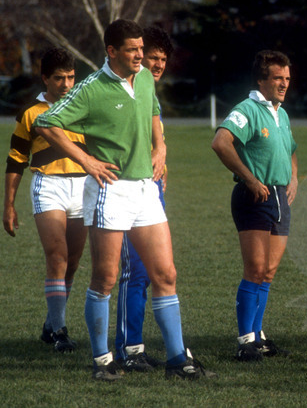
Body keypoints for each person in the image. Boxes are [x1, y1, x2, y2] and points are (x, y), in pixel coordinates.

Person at [34, 19, 213, 381]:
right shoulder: (91, 89)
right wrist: (86, 161)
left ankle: (178, 360)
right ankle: (103, 361)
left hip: (146, 189)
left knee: (166, 273)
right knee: (105, 277)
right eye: (132, 50)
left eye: (141, 48)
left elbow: (152, 111)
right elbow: (47, 123)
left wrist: (161, 147)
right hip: (110, 190)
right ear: (112, 51)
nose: (140, 56)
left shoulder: (144, 78)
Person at [211, 50, 298, 362]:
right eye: (277, 78)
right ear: (261, 80)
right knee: (256, 269)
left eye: (287, 78)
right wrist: (249, 179)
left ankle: (258, 336)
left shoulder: (281, 113)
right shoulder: (247, 109)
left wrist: (294, 177)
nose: (284, 84)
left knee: (269, 272)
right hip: (254, 197)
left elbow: (291, 149)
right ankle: (245, 340)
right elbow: (221, 142)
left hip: (279, 198)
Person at [3, 47, 85, 353]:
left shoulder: (84, 106)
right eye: (59, 78)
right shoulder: (31, 113)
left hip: (83, 187)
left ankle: (51, 324)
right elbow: (15, 161)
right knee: (57, 256)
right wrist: (9, 205)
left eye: (71, 77)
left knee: (72, 262)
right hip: (48, 186)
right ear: (45, 79)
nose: (66, 84)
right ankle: (60, 332)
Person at [114, 25, 174, 371]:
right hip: (125, 193)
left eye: (163, 59)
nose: (158, 64)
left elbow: (155, 144)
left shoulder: (149, 93)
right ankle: (127, 350)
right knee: (134, 271)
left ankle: (137, 346)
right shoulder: (118, 91)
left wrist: (163, 164)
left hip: (152, 193)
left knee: (156, 272)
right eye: (153, 57)